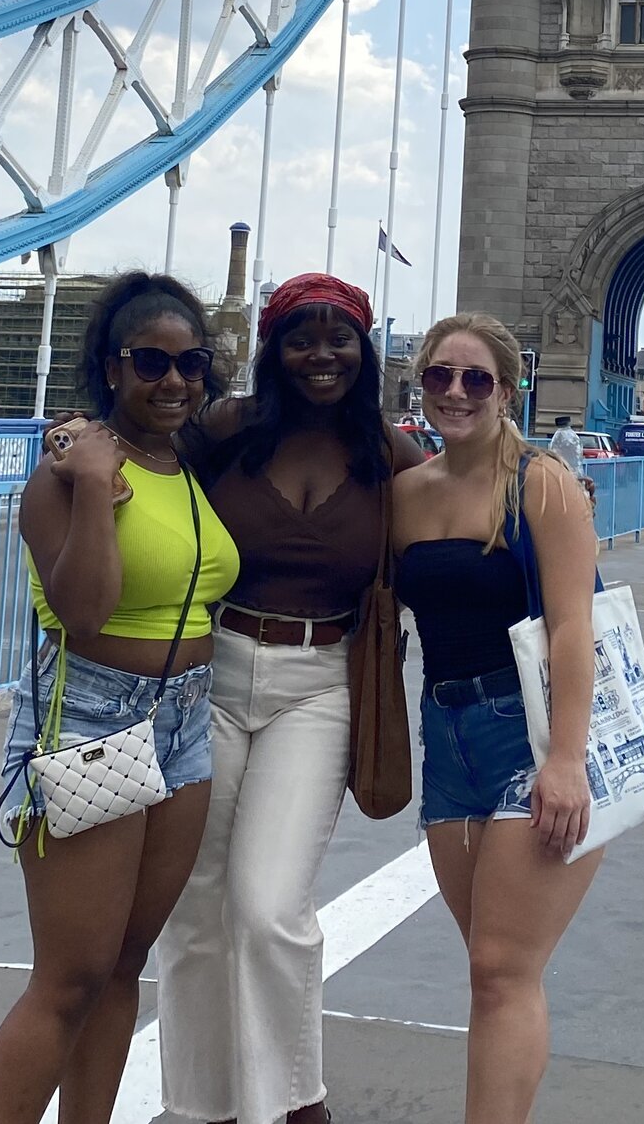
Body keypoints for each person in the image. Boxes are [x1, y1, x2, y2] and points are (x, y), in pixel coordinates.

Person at [154, 273, 422, 1124]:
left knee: (268, 906)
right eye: (301, 339)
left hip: (322, 684)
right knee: (196, 902)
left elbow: (475, 497)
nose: (321, 356)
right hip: (214, 675)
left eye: (339, 338)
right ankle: (200, 1107)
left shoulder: (389, 453)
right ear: (274, 351)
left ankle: (291, 1103)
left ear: (364, 350)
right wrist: (71, 446)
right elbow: (137, 454)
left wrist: (547, 488)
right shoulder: (230, 432)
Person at [0, 273, 239, 1124]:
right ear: (111, 367)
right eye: (151, 362)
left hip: (186, 723)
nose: (174, 381)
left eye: (191, 362)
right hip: (94, 717)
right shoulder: (67, 474)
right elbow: (83, 614)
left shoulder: (185, 455)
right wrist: (92, 484)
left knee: (125, 964)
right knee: (69, 979)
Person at [390, 311, 600, 1124]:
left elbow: (574, 627)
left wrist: (568, 760)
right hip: (445, 740)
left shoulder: (541, 484)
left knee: (503, 968)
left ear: (509, 391)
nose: (456, 392)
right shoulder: (406, 495)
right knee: (488, 972)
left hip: (531, 733)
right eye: (440, 375)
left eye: (477, 379)